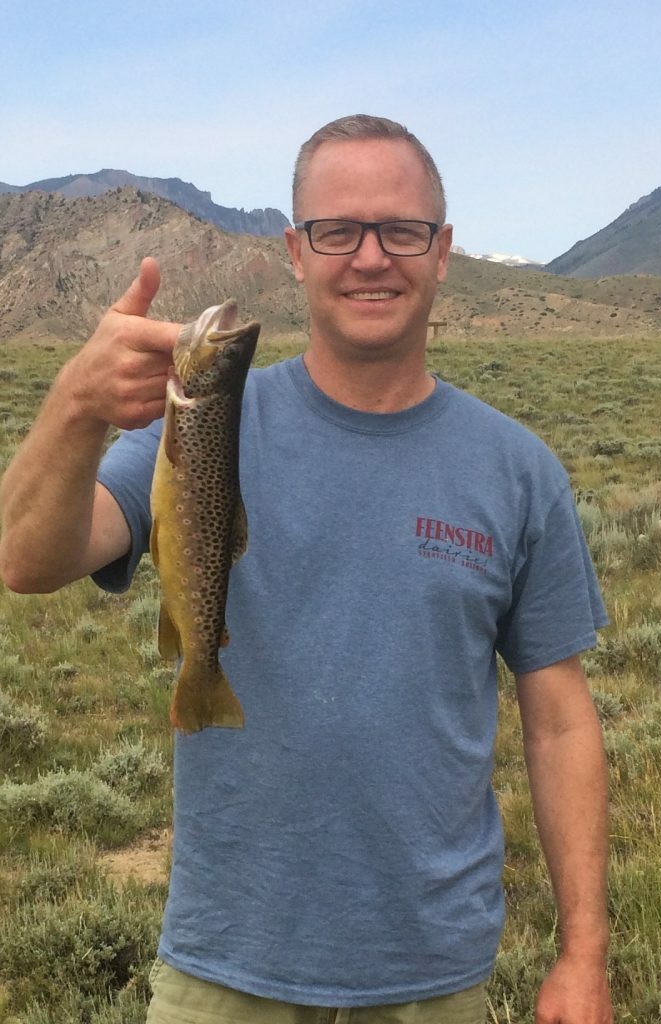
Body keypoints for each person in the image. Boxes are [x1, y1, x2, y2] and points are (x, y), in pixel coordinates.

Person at [0, 115, 613, 1024]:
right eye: (338, 232)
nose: (371, 257)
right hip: (225, 963)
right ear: (295, 251)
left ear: (443, 251)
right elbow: (26, 559)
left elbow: (560, 724)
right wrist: (77, 409)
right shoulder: (204, 420)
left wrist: (584, 954)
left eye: (401, 231)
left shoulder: (517, 470)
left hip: (433, 974)